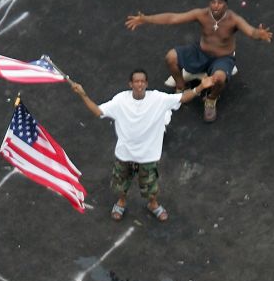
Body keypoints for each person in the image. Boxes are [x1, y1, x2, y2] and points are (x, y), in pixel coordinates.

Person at [71, 69, 214, 222]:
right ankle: (121, 202)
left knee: (150, 187)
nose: (139, 84)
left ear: (146, 84)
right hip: (124, 154)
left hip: (148, 156)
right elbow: (99, 112)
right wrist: (82, 94)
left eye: (142, 81)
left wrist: (200, 88)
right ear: (130, 84)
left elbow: (182, 98)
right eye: (136, 81)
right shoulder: (120, 100)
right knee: (121, 185)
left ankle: (153, 204)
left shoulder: (159, 98)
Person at [125, 0, 273, 123]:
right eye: (213, 2)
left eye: (220, 3)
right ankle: (181, 86)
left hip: (222, 58)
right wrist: (146, 19)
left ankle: (211, 99)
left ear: (226, 6)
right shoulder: (201, 14)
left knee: (219, 79)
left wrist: (258, 34)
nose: (216, 6)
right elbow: (173, 18)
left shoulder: (234, 19)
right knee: (171, 57)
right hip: (200, 52)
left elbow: (250, 31)